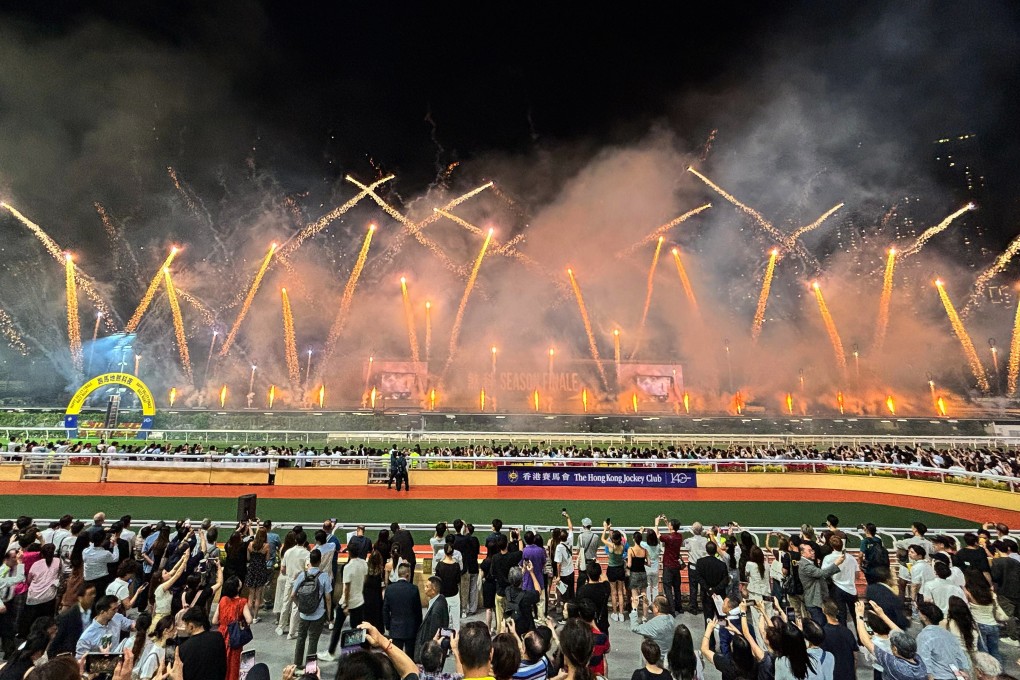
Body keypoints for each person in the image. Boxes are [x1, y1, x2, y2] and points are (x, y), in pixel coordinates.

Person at [853, 601, 927, 680]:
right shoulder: (919, 663)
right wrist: (882, 615)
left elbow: (866, 641)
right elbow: (900, 633)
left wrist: (859, 616)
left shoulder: (894, 664)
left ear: (895, 649)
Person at [290, 548, 331, 666]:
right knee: (313, 640)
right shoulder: (324, 577)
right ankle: (310, 668)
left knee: (301, 638)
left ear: (310, 561)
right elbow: (328, 598)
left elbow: (293, 595)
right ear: (320, 561)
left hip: (303, 614)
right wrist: (328, 616)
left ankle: (297, 665)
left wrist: (300, 606)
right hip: (318, 614)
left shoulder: (302, 575)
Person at [915, 601, 971, 680]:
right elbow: (960, 657)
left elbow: (924, 663)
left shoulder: (924, 636)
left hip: (938, 676)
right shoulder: (948, 634)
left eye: (919, 612)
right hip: (955, 675)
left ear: (924, 617)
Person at [212, 576, 252, 680]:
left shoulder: (223, 600)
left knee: (220, 661)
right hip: (234, 635)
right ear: (238, 588)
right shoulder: (242, 602)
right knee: (233, 663)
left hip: (221, 635)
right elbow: (249, 620)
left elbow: (214, 621)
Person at [797, 542, 842, 628]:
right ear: (802, 553)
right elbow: (822, 574)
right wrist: (836, 563)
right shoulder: (805, 565)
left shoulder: (808, 562)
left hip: (816, 600)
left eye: (812, 550)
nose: (813, 552)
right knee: (820, 626)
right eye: (810, 551)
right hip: (814, 601)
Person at [75, 594, 134, 658]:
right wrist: (101, 656)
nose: (116, 611)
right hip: (99, 665)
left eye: (117, 608)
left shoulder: (117, 617)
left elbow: (132, 625)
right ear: (102, 612)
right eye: (113, 609)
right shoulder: (86, 637)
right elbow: (80, 660)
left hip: (117, 661)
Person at [178, 607, 228, 680]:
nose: (185, 628)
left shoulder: (183, 648)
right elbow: (223, 665)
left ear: (191, 626)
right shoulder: (218, 637)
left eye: (186, 625)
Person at [383, 563, 422, 655]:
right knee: (410, 657)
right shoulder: (414, 589)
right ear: (408, 575)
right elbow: (418, 611)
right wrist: (418, 627)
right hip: (411, 629)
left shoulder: (390, 589)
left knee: (396, 657)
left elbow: (385, 610)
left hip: (395, 628)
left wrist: (388, 625)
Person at [48, 582, 95, 657]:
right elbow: (55, 644)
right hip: (73, 655)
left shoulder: (95, 612)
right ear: (80, 598)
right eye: (90, 594)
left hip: (89, 653)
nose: (93, 596)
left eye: (94, 593)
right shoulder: (66, 616)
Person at [276, 531, 308, 638]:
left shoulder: (288, 552)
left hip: (289, 581)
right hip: (300, 582)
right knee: (296, 607)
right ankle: (292, 632)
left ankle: (281, 626)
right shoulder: (306, 553)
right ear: (304, 541)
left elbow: (283, 569)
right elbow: (308, 568)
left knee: (286, 603)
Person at [820, 599, 858, 680]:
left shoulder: (823, 634)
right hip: (849, 674)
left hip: (833, 675)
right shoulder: (848, 632)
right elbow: (855, 657)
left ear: (824, 611)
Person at [630, 595, 674, 665]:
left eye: (654, 605)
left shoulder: (654, 625)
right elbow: (658, 611)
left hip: (655, 659)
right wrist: (648, 604)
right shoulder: (671, 618)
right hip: (668, 657)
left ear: (657, 608)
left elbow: (634, 628)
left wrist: (634, 609)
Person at [415, 577, 449, 663]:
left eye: (427, 587)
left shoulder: (436, 611)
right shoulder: (441, 599)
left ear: (433, 590)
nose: (424, 588)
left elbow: (433, 632)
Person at [574, 562, 611, 637]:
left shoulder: (582, 590)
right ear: (599, 574)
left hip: (587, 624)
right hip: (602, 622)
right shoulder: (605, 587)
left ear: (587, 575)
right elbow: (605, 579)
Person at [660, 517, 686, 616]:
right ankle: (679, 607)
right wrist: (666, 522)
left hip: (668, 566)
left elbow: (659, 536)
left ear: (671, 526)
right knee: (677, 588)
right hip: (676, 566)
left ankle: (671, 610)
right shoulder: (679, 536)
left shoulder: (668, 538)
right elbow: (672, 533)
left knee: (667, 588)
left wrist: (657, 524)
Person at [503, 566, 541, 635]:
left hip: (512, 625)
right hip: (526, 628)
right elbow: (538, 591)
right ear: (522, 580)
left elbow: (515, 580)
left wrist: (522, 572)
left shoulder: (507, 590)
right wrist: (531, 572)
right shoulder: (526, 596)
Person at [602, 523, 627, 622]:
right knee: (620, 592)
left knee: (613, 593)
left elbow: (603, 539)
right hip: (620, 569)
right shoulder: (622, 545)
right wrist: (610, 530)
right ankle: (621, 614)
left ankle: (615, 613)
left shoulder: (611, 545)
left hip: (612, 570)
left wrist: (605, 529)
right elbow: (617, 538)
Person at [244, 529, 270, 622]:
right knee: (258, 595)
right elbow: (267, 558)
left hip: (252, 570)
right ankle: (255, 617)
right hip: (261, 570)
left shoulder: (250, 544)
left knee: (251, 595)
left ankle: (249, 616)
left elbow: (248, 558)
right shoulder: (266, 546)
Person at [435, 544, 462, 629]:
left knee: (443, 619)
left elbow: (437, 581)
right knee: (455, 620)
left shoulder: (439, 565)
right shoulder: (456, 565)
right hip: (454, 594)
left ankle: (443, 636)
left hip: (443, 595)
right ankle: (455, 637)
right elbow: (458, 580)